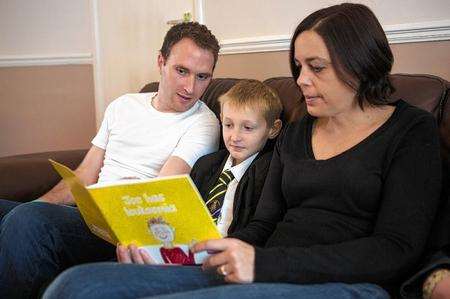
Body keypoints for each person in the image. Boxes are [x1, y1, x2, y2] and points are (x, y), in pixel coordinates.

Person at [42, 3, 442, 299]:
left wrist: (263, 264)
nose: (301, 80)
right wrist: (178, 253)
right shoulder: (298, 133)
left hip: (346, 283)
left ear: (359, 63)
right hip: (264, 267)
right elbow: (262, 225)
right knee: (78, 285)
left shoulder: (410, 131)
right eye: (298, 66)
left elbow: (397, 248)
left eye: (316, 67)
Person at [0, 21, 220, 299]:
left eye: (202, 77)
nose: (190, 87)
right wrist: (36, 206)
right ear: (161, 62)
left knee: (28, 221)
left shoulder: (203, 123)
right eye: (182, 71)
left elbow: (160, 193)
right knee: (18, 214)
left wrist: (30, 215)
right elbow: (84, 175)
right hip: (88, 215)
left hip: (120, 230)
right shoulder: (123, 105)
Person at [115, 79, 283, 263]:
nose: (235, 137)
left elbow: (261, 228)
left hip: (224, 257)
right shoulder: (206, 165)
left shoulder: (270, 170)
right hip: (184, 252)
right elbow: (182, 214)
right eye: (228, 125)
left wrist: (217, 249)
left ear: (273, 129)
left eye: (248, 128)